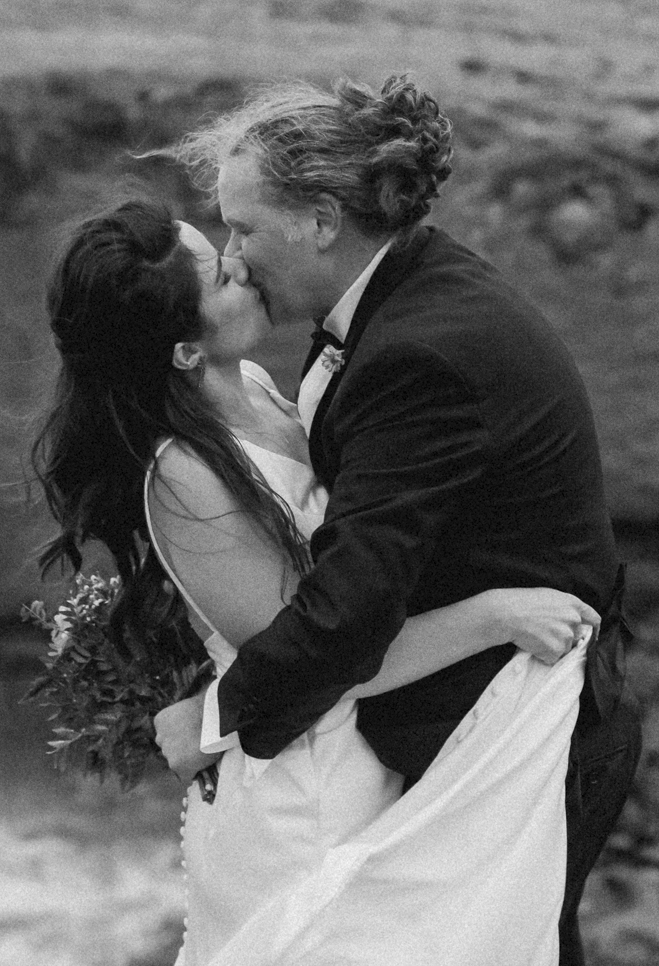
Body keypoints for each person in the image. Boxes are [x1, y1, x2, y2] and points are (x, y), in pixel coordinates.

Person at [33, 196, 601, 965]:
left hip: (363, 756)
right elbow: (321, 656)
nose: (242, 263)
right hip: (303, 791)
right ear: (183, 351)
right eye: (219, 279)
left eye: (223, 247)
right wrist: (493, 615)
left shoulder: (263, 395)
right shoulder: (184, 477)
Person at [155, 74, 642, 965]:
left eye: (245, 226)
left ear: (320, 221)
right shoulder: (396, 294)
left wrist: (214, 714)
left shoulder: (419, 352)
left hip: (519, 732)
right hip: (458, 721)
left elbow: (349, 607)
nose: (233, 252)